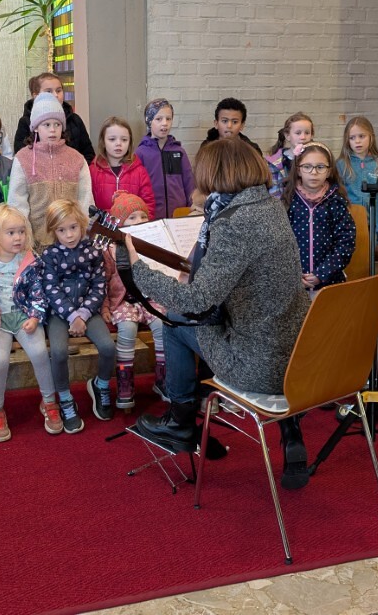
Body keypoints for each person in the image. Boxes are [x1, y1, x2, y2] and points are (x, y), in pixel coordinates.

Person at [124, 138, 312, 489]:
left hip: (259, 367)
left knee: (175, 320)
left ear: (215, 173)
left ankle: (180, 422)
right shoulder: (270, 206)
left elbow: (198, 301)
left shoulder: (233, 222)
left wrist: (140, 271)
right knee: (221, 318)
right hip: (299, 357)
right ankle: (291, 430)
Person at [0, 205, 62, 440]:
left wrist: (35, 317)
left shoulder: (30, 260)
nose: (18, 237)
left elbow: (39, 293)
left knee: (39, 353)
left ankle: (49, 401)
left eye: (21, 232)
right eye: (11, 233)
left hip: (25, 317)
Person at [40, 199, 116, 431]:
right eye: (61, 230)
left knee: (108, 347)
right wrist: (73, 316)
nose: (69, 235)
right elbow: (51, 290)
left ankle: (100, 384)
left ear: (81, 224)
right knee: (59, 352)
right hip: (59, 314)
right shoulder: (50, 255)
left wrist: (83, 314)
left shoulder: (93, 251)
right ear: (53, 231)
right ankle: (64, 398)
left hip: (88, 310)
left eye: (73, 227)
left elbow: (99, 286)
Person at [99, 192, 166, 409]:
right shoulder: (109, 248)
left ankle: (163, 379)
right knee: (127, 328)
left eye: (143, 216)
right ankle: (125, 383)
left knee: (162, 325)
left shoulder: (152, 244)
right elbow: (103, 280)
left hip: (149, 299)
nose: (139, 221)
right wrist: (105, 306)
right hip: (122, 302)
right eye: (132, 217)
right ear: (119, 223)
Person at [7, 93, 94, 247]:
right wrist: (25, 240)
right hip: (36, 243)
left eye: (57, 124)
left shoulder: (77, 159)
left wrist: (85, 236)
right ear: (36, 128)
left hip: (72, 241)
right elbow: (17, 203)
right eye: (46, 125)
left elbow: (85, 200)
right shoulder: (23, 159)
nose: (52, 130)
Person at [283, 143, 356, 293]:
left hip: (329, 282)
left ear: (329, 171)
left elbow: (346, 242)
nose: (314, 172)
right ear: (298, 170)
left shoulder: (336, 202)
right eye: (307, 167)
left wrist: (322, 273)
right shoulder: (288, 201)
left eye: (320, 167)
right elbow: (280, 244)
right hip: (295, 283)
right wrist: (293, 274)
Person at [13, 72, 95, 162]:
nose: (55, 95)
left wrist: (75, 168)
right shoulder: (25, 122)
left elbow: (88, 154)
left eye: (58, 90)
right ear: (36, 96)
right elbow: (21, 157)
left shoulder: (75, 120)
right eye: (49, 91)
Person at [135, 98, 195, 220]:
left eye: (168, 119)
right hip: (152, 216)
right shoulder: (140, 153)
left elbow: (189, 183)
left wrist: (192, 207)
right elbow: (137, 186)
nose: (164, 123)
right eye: (159, 119)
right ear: (149, 121)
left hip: (178, 215)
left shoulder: (179, 151)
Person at [89, 116, 156, 218]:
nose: (118, 143)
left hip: (133, 226)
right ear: (103, 142)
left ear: (129, 143)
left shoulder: (139, 171)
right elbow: (89, 206)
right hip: (102, 227)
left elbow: (148, 205)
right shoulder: (93, 171)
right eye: (112, 139)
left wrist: (142, 224)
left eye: (124, 140)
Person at [336, 116, 378, 238]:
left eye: (361, 136)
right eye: (352, 138)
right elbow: (337, 195)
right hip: (348, 221)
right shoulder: (341, 164)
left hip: (371, 222)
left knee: (368, 249)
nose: (357, 141)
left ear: (371, 137)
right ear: (347, 140)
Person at [266, 112, 314, 198]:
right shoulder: (275, 162)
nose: (303, 137)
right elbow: (274, 191)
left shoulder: (316, 158)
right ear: (287, 135)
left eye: (307, 133)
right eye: (298, 133)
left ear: (312, 135)